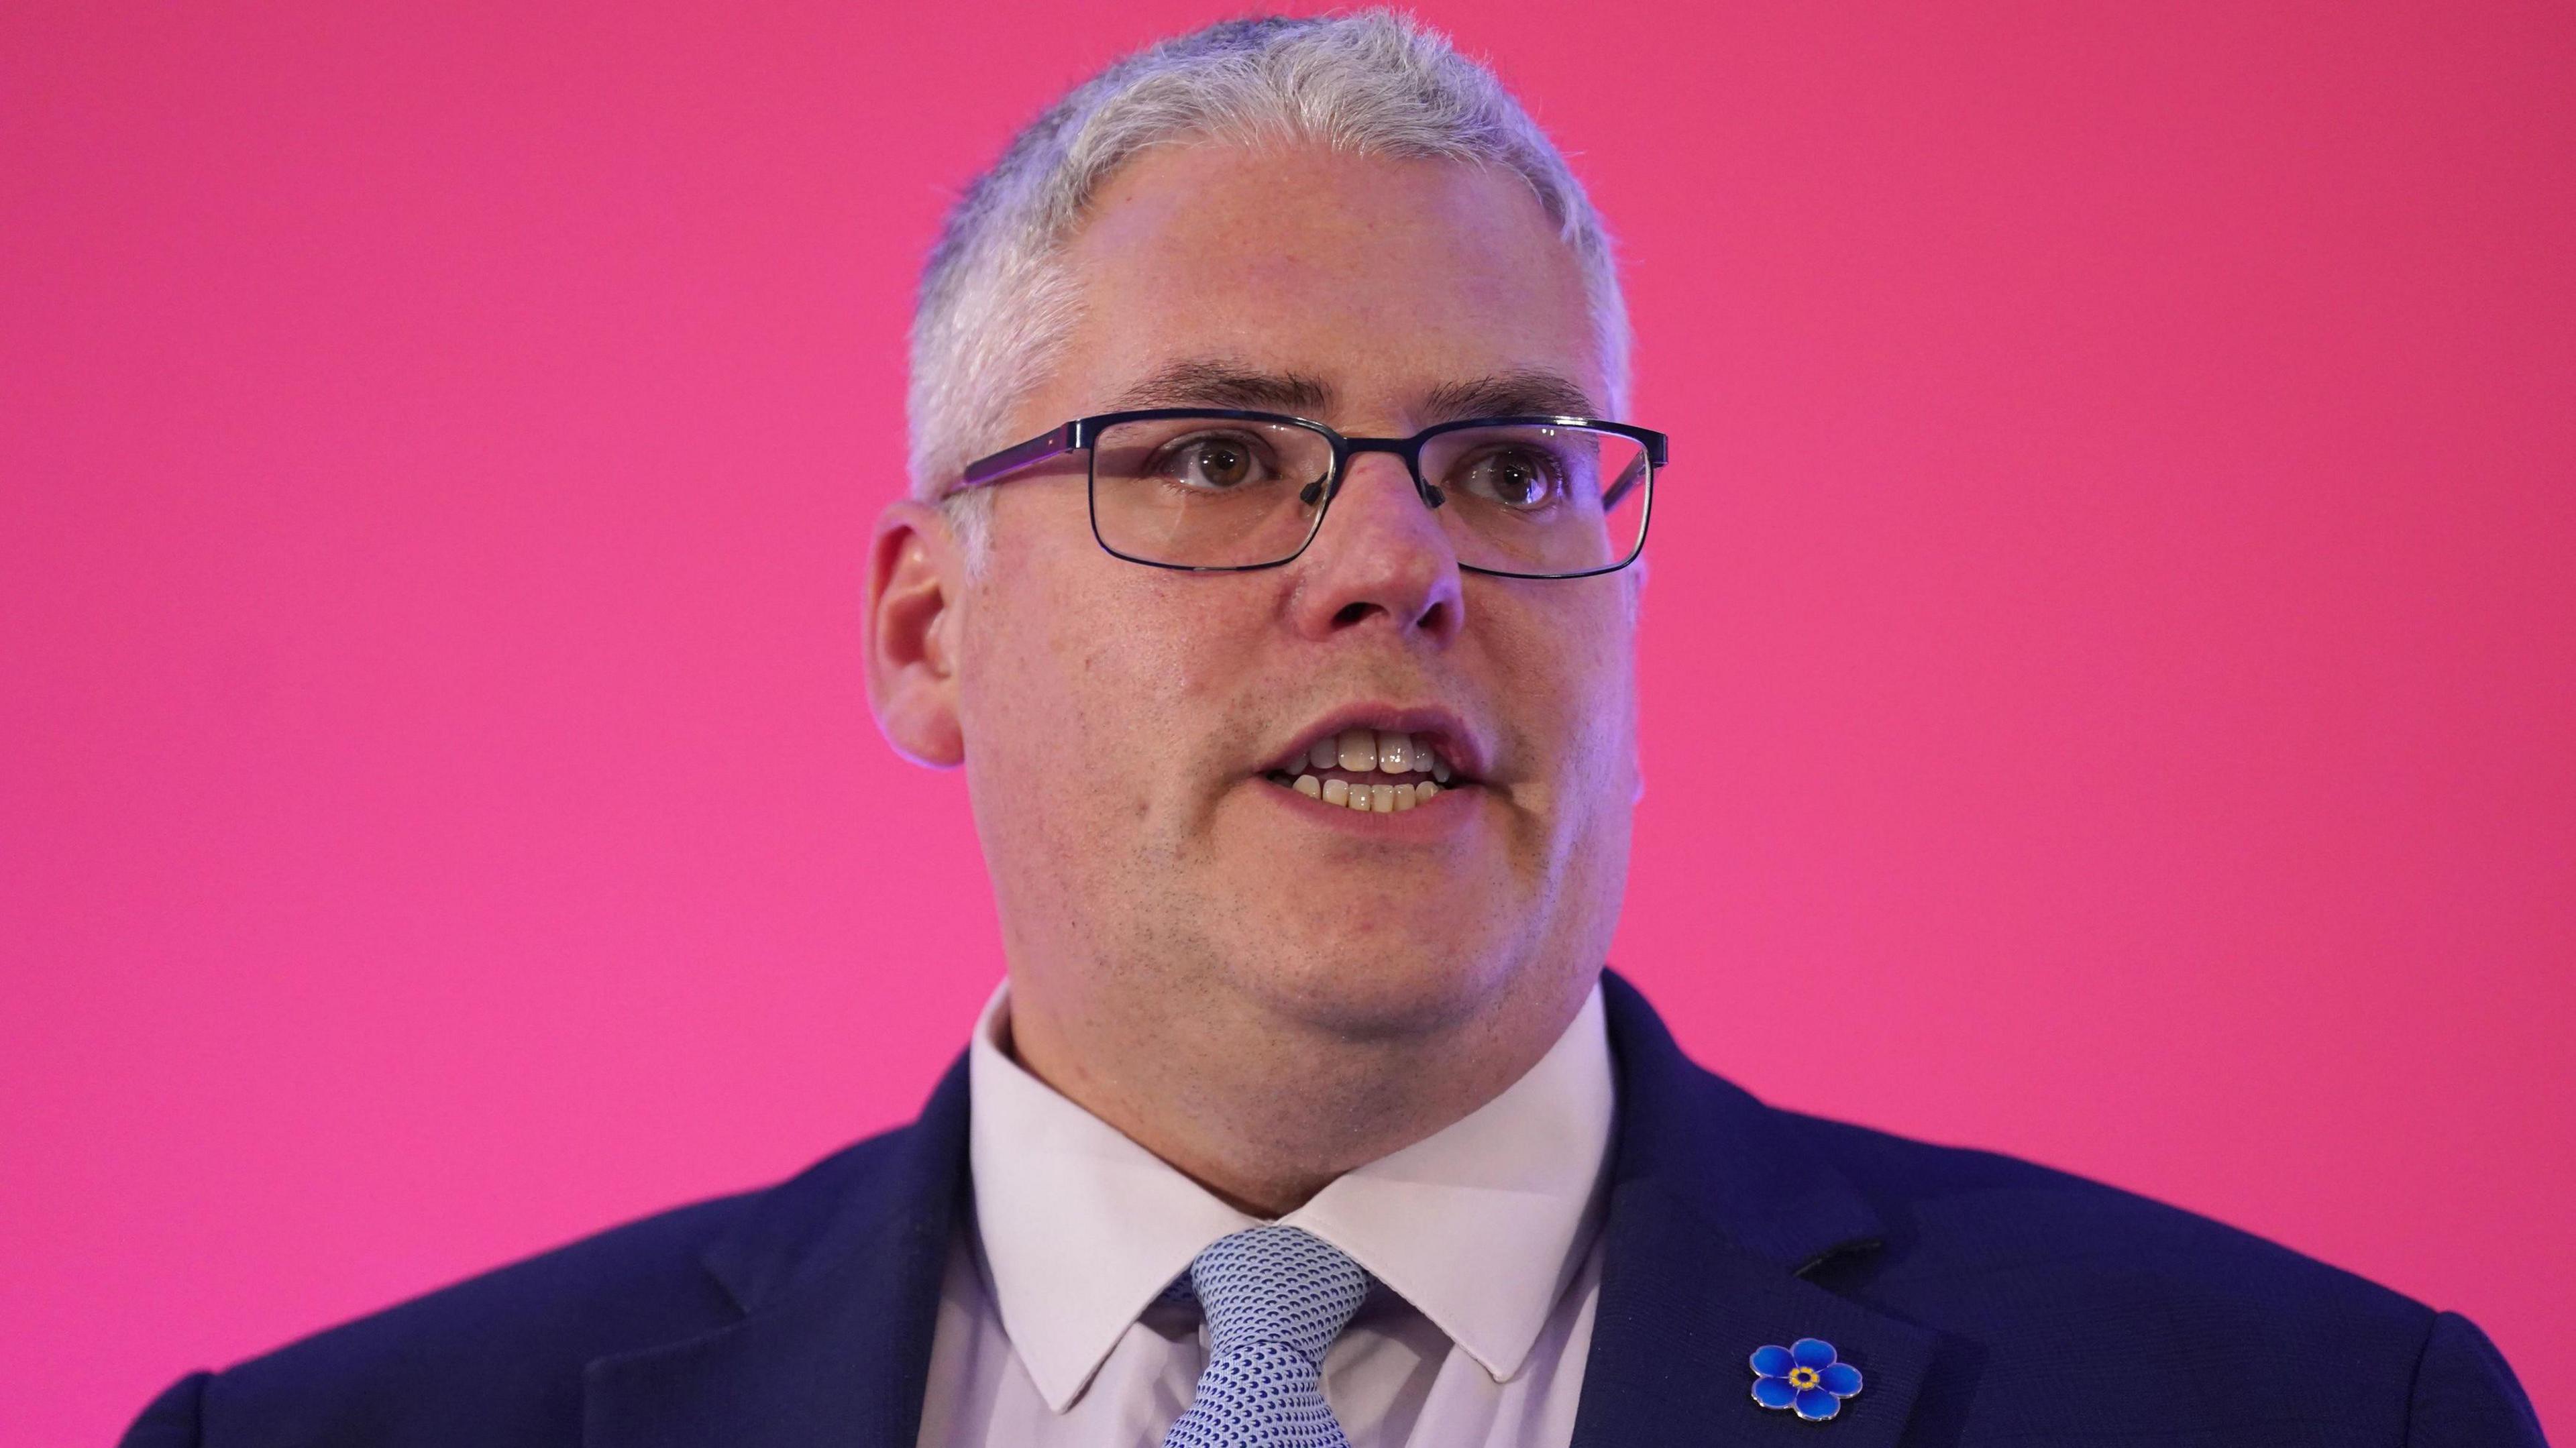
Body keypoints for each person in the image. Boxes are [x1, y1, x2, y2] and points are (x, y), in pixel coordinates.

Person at [120, 14, 2544, 1447]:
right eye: (1212, 456)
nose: (1400, 568)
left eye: (1505, 464)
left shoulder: (2304, 1419)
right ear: (925, 629)